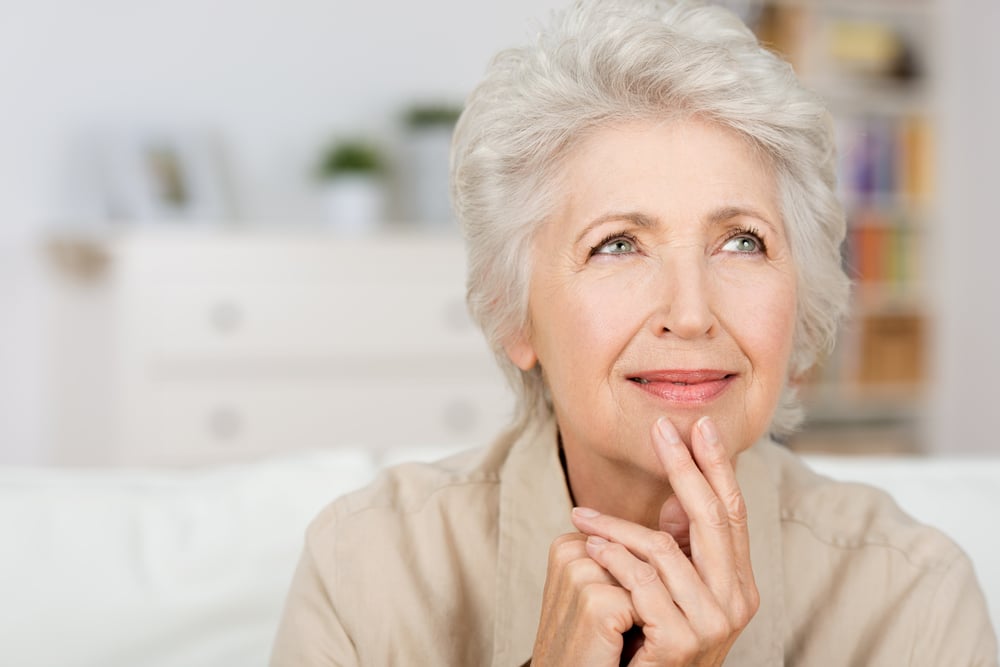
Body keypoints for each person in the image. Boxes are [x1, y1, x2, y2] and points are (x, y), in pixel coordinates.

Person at [271, 1, 998, 664]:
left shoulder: (914, 599)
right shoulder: (366, 566)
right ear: (513, 311)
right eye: (617, 244)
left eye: (742, 241)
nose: (690, 312)